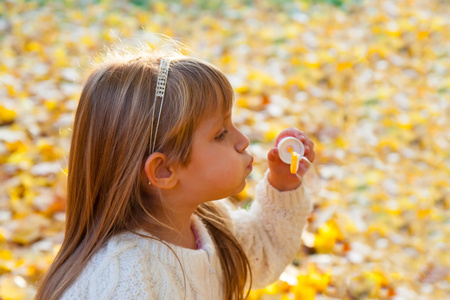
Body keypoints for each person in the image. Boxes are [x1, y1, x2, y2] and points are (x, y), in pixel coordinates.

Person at [35, 47, 315, 300]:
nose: (242, 141)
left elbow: (264, 251)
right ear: (164, 170)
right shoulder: (123, 280)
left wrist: (283, 185)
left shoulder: (208, 223)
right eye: (221, 134)